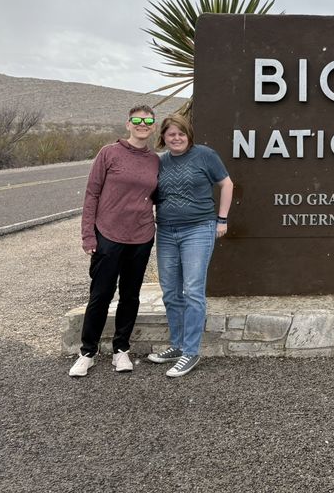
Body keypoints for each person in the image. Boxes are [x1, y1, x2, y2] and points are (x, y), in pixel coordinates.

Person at [70, 105, 159, 377]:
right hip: (108, 234)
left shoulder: (156, 160)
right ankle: (88, 351)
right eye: (137, 120)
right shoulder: (109, 153)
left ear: (154, 126)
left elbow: (158, 197)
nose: (142, 124)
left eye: (148, 121)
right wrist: (88, 234)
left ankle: (121, 350)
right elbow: (91, 195)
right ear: (128, 124)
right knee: (101, 294)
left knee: (130, 295)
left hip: (141, 236)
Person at [147, 112, 233, 377]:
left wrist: (222, 220)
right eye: (171, 134)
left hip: (198, 229)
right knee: (170, 291)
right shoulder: (160, 162)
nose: (176, 138)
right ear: (163, 137)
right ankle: (177, 345)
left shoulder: (204, 155)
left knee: (193, 290)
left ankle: (191, 352)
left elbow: (227, 184)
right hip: (167, 232)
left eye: (181, 133)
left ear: (189, 135)